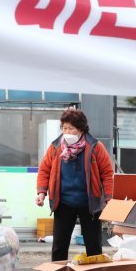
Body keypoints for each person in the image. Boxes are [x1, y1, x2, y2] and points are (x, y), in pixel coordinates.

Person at [36, 109, 114, 261]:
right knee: (59, 246)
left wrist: (109, 198)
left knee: (94, 247)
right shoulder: (55, 147)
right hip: (63, 202)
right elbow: (44, 170)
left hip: (89, 204)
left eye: (71, 128)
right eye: (64, 128)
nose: (67, 132)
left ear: (81, 129)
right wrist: (41, 193)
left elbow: (107, 174)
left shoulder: (95, 147)